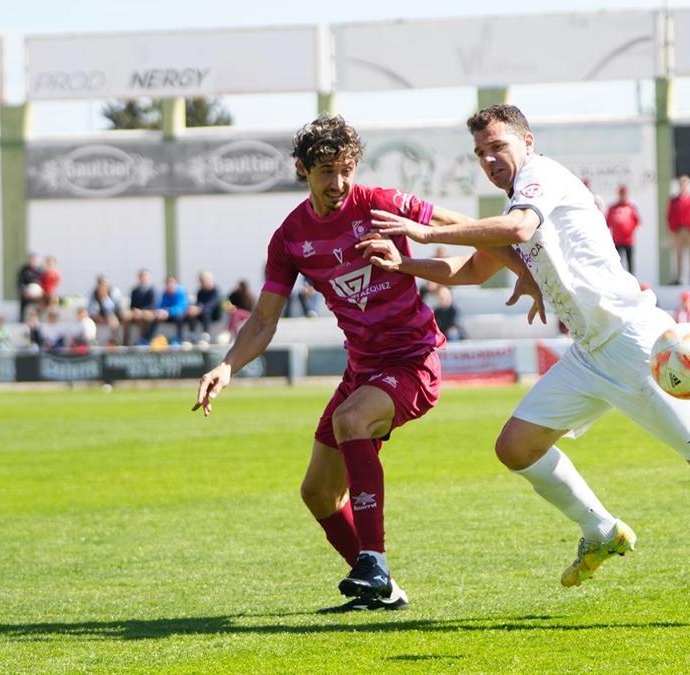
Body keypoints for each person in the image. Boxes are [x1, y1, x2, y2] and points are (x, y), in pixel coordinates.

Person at [360, 104, 690, 622]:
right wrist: (406, 264)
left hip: (636, 343)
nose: (489, 158)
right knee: (516, 446)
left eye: (497, 146)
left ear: (527, 141)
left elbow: (516, 228)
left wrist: (425, 231)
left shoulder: (541, 178)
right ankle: (601, 530)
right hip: (589, 352)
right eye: (480, 152)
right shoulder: (515, 200)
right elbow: (477, 267)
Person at [193, 114, 539, 614]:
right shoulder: (290, 237)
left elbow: (461, 225)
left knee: (350, 419)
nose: (338, 184)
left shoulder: (379, 204)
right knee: (317, 493)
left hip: (412, 360)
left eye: (346, 170)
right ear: (302, 169)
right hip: (363, 370)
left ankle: (372, 561)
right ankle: (385, 589)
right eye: (325, 172)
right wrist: (227, 365)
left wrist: (520, 270)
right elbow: (264, 320)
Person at [667, 175, 690, 285]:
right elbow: (669, 215)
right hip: (679, 231)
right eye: (681, 184)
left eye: (685, 184)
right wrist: (672, 228)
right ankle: (678, 278)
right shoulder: (674, 200)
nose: (683, 186)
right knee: (678, 254)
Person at [605, 185, 640, 273]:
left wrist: (628, 229)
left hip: (629, 241)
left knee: (630, 264)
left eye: (624, 193)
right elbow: (607, 223)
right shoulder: (612, 208)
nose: (622, 195)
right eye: (621, 193)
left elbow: (637, 221)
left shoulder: (631, 207)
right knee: (617, 264)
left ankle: (632, 283)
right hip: (617, 241)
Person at [124, 269, 158, 346]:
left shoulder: (152, 290)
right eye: (141, 276)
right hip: (136, 312)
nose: (143, 278)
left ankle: (144, 340)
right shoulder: (134, 290)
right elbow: (132, 305)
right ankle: (125, 342)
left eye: (145, 276)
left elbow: (153, 305)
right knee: (126, 317)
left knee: (145, 318)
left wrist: (141, 311)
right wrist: (135, 311)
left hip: (148, 312)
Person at [186, 271, 223, 341]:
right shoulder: (200, 291)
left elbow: (212, 304)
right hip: (202, 312)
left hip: (214, 314)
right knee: (192, 313)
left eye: (203, 281)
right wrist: (194, 309)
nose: (201, 284)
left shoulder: (216, 291)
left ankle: (205, 334)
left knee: (206, 312)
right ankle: (192, 333)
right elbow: (198, 303)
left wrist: (200, 309)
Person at [86, 276, 123, 345]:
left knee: (112, 320)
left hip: (113, 314)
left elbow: (113, 308)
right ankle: (91, 342)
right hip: (100, 314)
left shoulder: (114, 292)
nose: (101, 287)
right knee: (87, 320)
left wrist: (104, 297)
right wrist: (97, 315)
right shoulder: (93, 293)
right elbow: (89, 307)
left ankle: (115, 340)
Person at [152, 275, 189, 343]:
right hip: (167, 315)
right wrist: (159, 311)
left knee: (179, 316)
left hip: (179, 315)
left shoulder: (181, 292)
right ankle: (148, 338)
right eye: (168, 282)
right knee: (156, 317)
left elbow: (181, 307)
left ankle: (180, 338)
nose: (170, 284)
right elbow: (160, 305)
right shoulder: (165, 293)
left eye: (172, 282)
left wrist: (168, 311)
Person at [16, 253, 44, 322]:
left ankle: (39, 319)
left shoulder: (41, 270)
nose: (33, 261)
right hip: (27, 294)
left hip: (38, 295)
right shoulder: (23, 270)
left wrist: (41, 292)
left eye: (34, 259)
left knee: (42, 303)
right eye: (31, 259)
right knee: (23, 302)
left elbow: (44, 282)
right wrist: (25, 291)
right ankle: (21, 320)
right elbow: (20, 283)